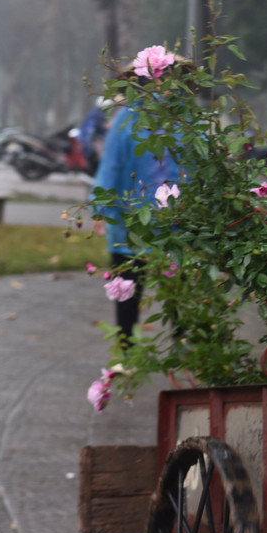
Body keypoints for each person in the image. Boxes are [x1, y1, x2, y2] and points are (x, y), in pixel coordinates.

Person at [91, 59, 183, 349]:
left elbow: (193, 165)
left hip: (172, 221)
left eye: (169, 77)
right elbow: (111, 165)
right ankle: (128, 347)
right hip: (132, 220)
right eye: (159, 77)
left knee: (177, 289)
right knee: (129, 287)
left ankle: (184, 343)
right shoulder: (129, 118)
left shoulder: (183, 120)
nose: (164, 84)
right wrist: (102, 207)